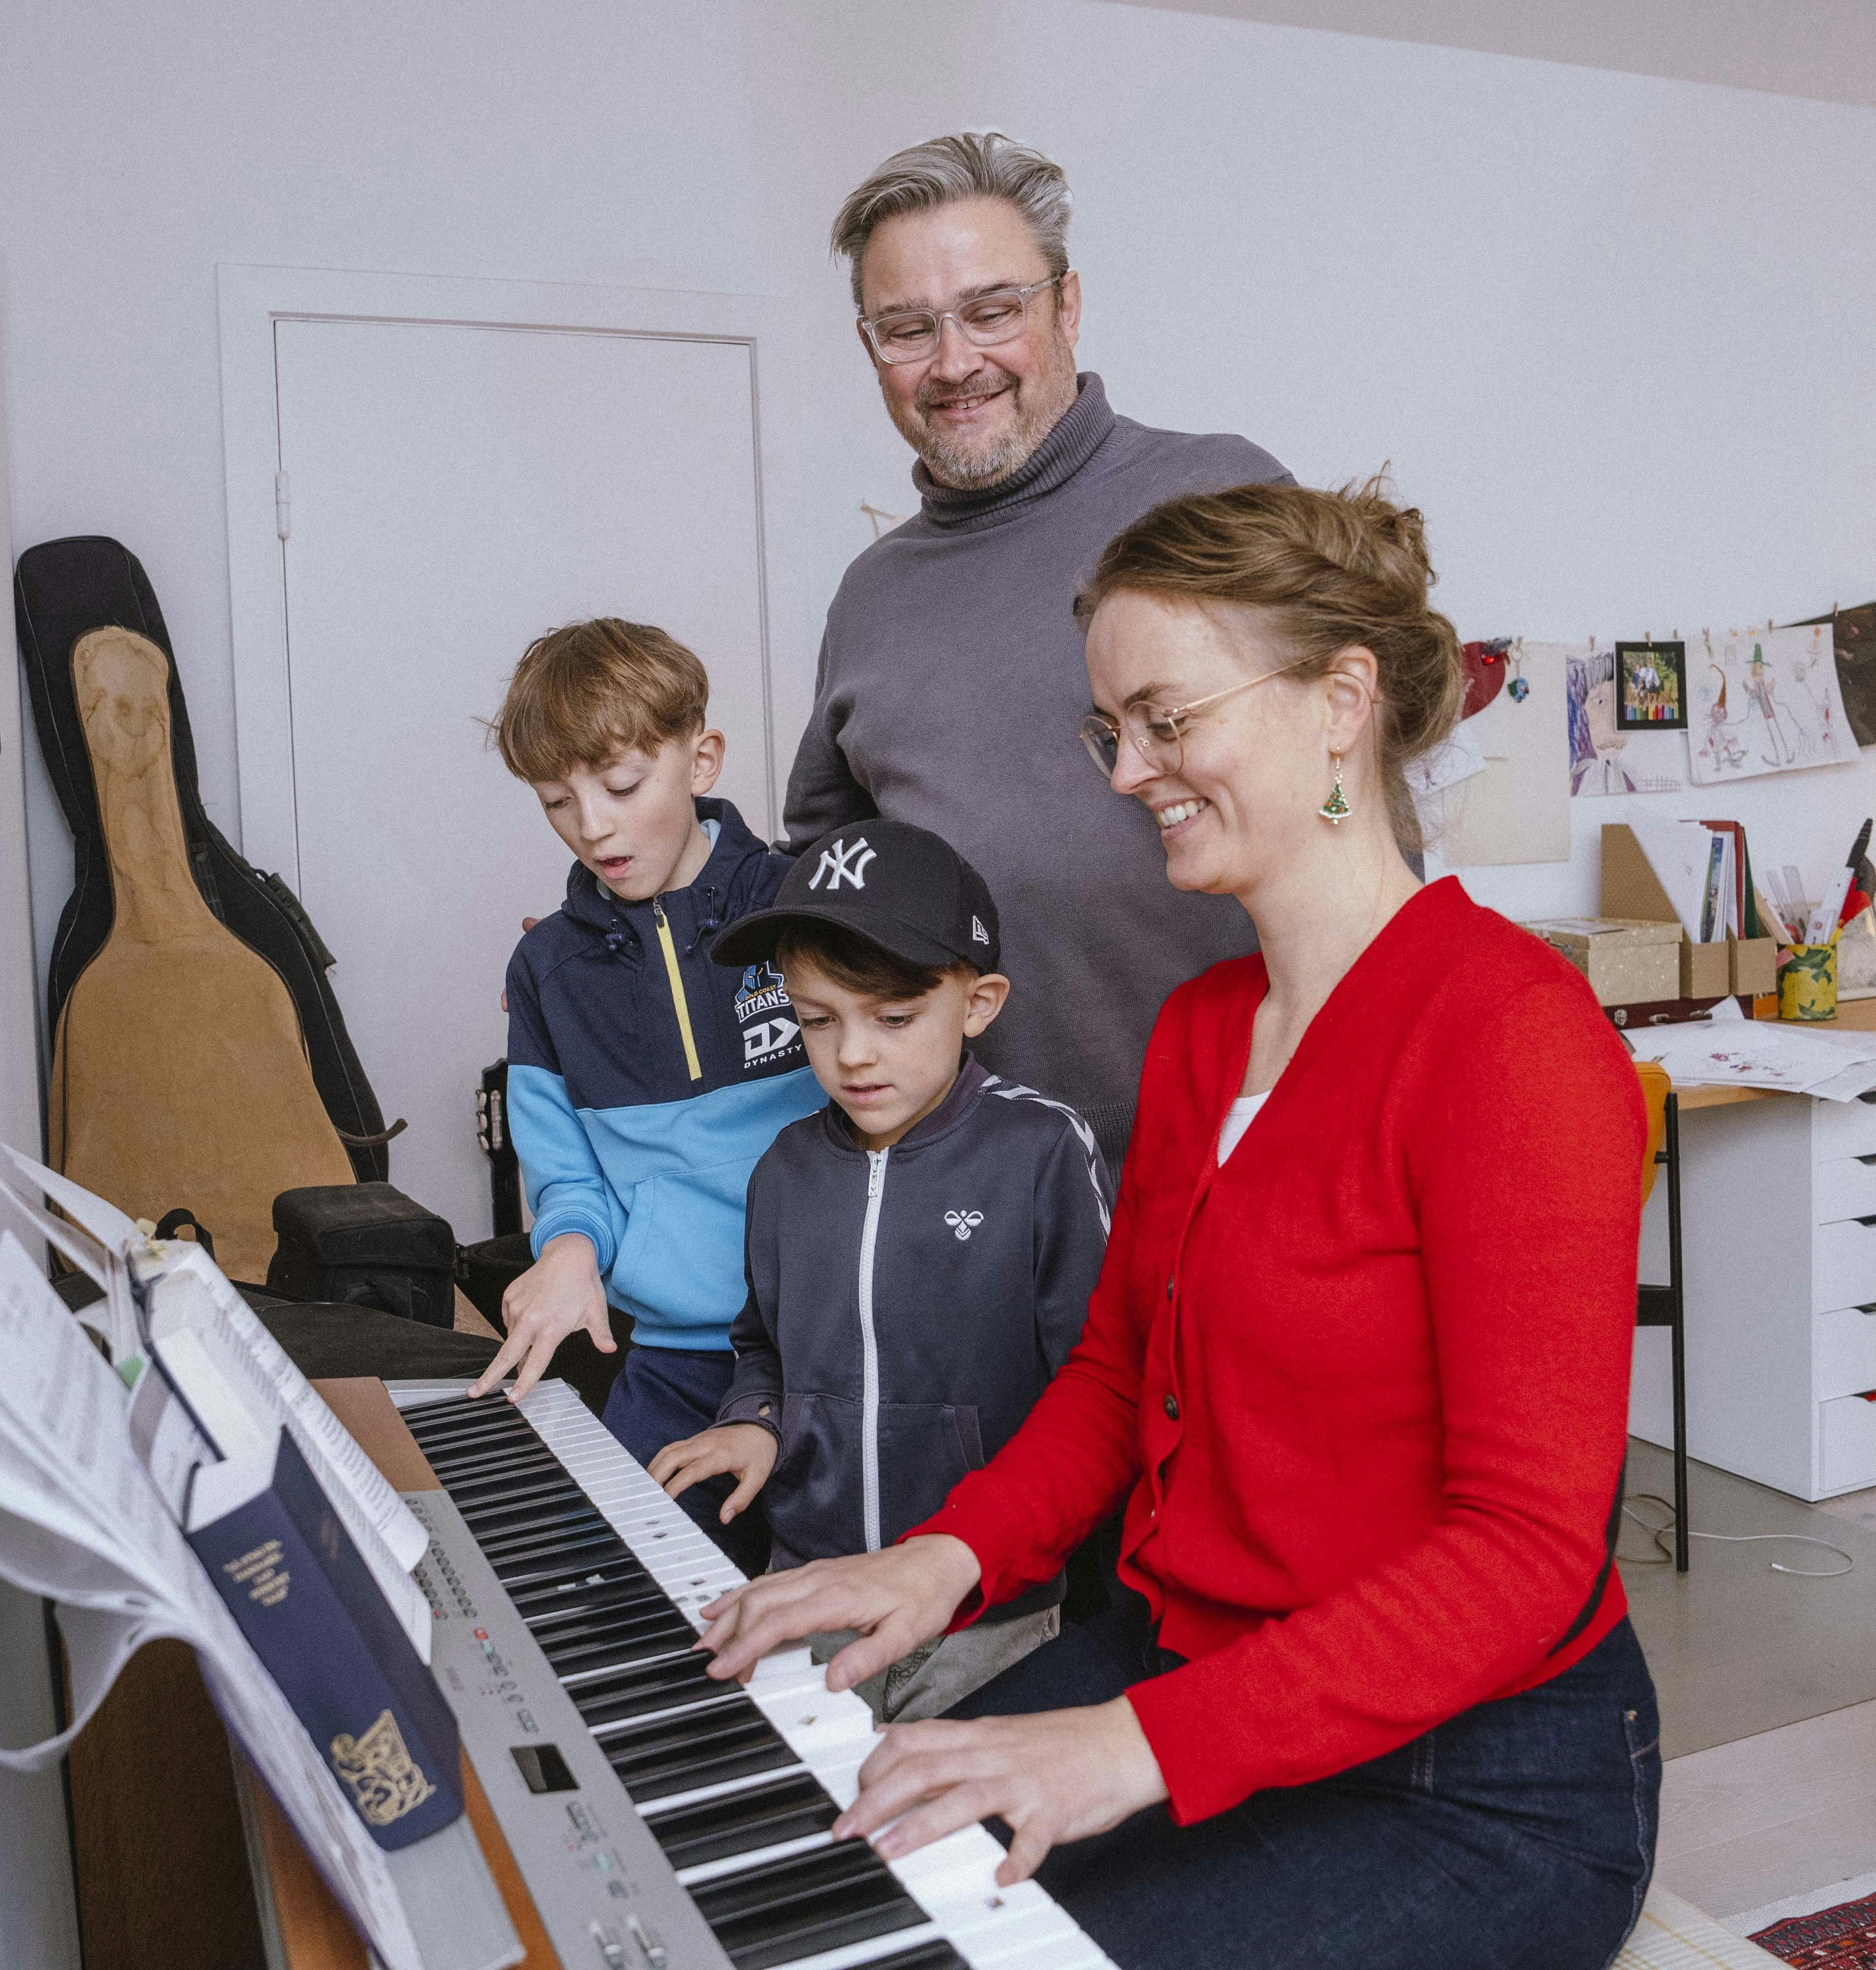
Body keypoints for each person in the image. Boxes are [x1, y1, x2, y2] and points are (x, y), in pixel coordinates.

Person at [693, 481, 1657, 1970]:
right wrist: (940, 1564)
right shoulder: (1206, 1028)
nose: (1129, 771)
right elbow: (1114, 1371)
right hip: (1186, 1668)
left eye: (1166, 720)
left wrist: (1126, 1749)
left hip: (1469, 1780)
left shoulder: (1512, 1040)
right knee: (820, 1888)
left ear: (1340, 704)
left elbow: (1526, 1554)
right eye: (1111, 733)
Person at [785, 131, 1294, 1169]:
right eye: (907, 329)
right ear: (868, 346)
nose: (954, 362)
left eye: (991, 310)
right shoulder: (869, 597)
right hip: (982, 1210)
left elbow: (1363, 808)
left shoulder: (1221, 501)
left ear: (1065, 306)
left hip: (1247, 1167)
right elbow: (824, 885)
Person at [646, 820, 1111, 1721]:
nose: (852, 1053)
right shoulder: (784, 1169)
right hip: (808, 1591)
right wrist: (757, 1424)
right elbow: (763, 1351)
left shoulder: (1042, 1149)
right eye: (817, 1021)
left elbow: (1099, 1385)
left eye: (893, 1018)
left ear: (978, 1003)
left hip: (986, 1619)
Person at [476, 620, 826, 1567]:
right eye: (558, 802)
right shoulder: (547, 970)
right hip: (673, 1358)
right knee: (625, 1591)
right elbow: (567, 1176)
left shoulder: (808, 906)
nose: (593, 825)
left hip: (834, 1344)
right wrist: (570, 1253)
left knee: (833, 1616)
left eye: (623, 786)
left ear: (701, 758)